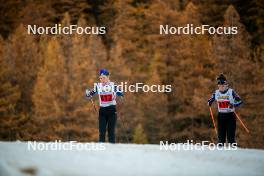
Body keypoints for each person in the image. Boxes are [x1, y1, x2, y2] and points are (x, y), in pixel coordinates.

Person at [85, 69, 123, 143]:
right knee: (102, 132)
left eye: (104, 77)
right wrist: (88, 94)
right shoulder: (98, 86)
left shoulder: (113, 85)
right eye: (101, 78)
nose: (102, 80)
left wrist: (119, 93)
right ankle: (101, 149)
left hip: (112, 110)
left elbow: (121, 93)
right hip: (102, 111)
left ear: (108, 77)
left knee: (111, 131)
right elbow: (90, 94)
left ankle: (112, 149)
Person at [208, 74, 242, 146]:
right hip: (221, 116)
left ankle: (233, 152)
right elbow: (210, 100)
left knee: (230, 137)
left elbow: (240, 101)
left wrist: (233, 105)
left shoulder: (231, 92)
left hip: (230, 116)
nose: (221, 87)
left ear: (226, 85)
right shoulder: (216, 93)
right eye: (220, 86)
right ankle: (221, 153)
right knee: (221, 137)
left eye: (223, 86)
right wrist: (209, 102)